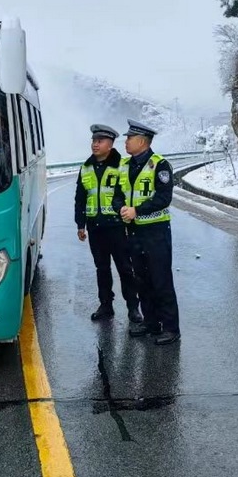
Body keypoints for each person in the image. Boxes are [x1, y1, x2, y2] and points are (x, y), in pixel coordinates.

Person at [112, 118, 180, 345]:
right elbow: (117, 194)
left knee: (160, 279)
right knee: (141, 279)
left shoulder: (160, 165)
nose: (126, 142)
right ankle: (151, 323)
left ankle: (170, 328)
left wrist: (136, 210)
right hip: (133, 231)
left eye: (129, 138)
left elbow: (163, 198)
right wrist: (120, 207)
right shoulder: (123, 165)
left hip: (156, 231)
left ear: (142, 141)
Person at [75, 124, 142, 323]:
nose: (95, 145)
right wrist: (80, 224)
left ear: (110, 144)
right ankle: (106, 305)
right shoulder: (86, 167)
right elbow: (80, 198)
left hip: (118, 227)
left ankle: (133, 307)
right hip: (95, 228)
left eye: (100, 141)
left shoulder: (123, 166)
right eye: (93, 141)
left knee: (125, 268)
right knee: (101, 269)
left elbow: (130, 195)